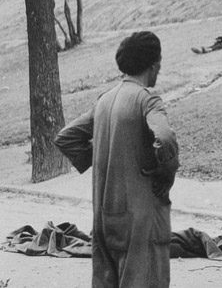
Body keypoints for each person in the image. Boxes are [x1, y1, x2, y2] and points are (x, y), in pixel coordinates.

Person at [55, 31, 179, 288]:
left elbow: (66, 138)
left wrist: (106, 152)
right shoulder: (147, 99)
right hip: (139, 219)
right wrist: (164, 175)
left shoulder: (104, 101)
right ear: (154, 64)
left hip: (104, 217)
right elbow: (165, 137)